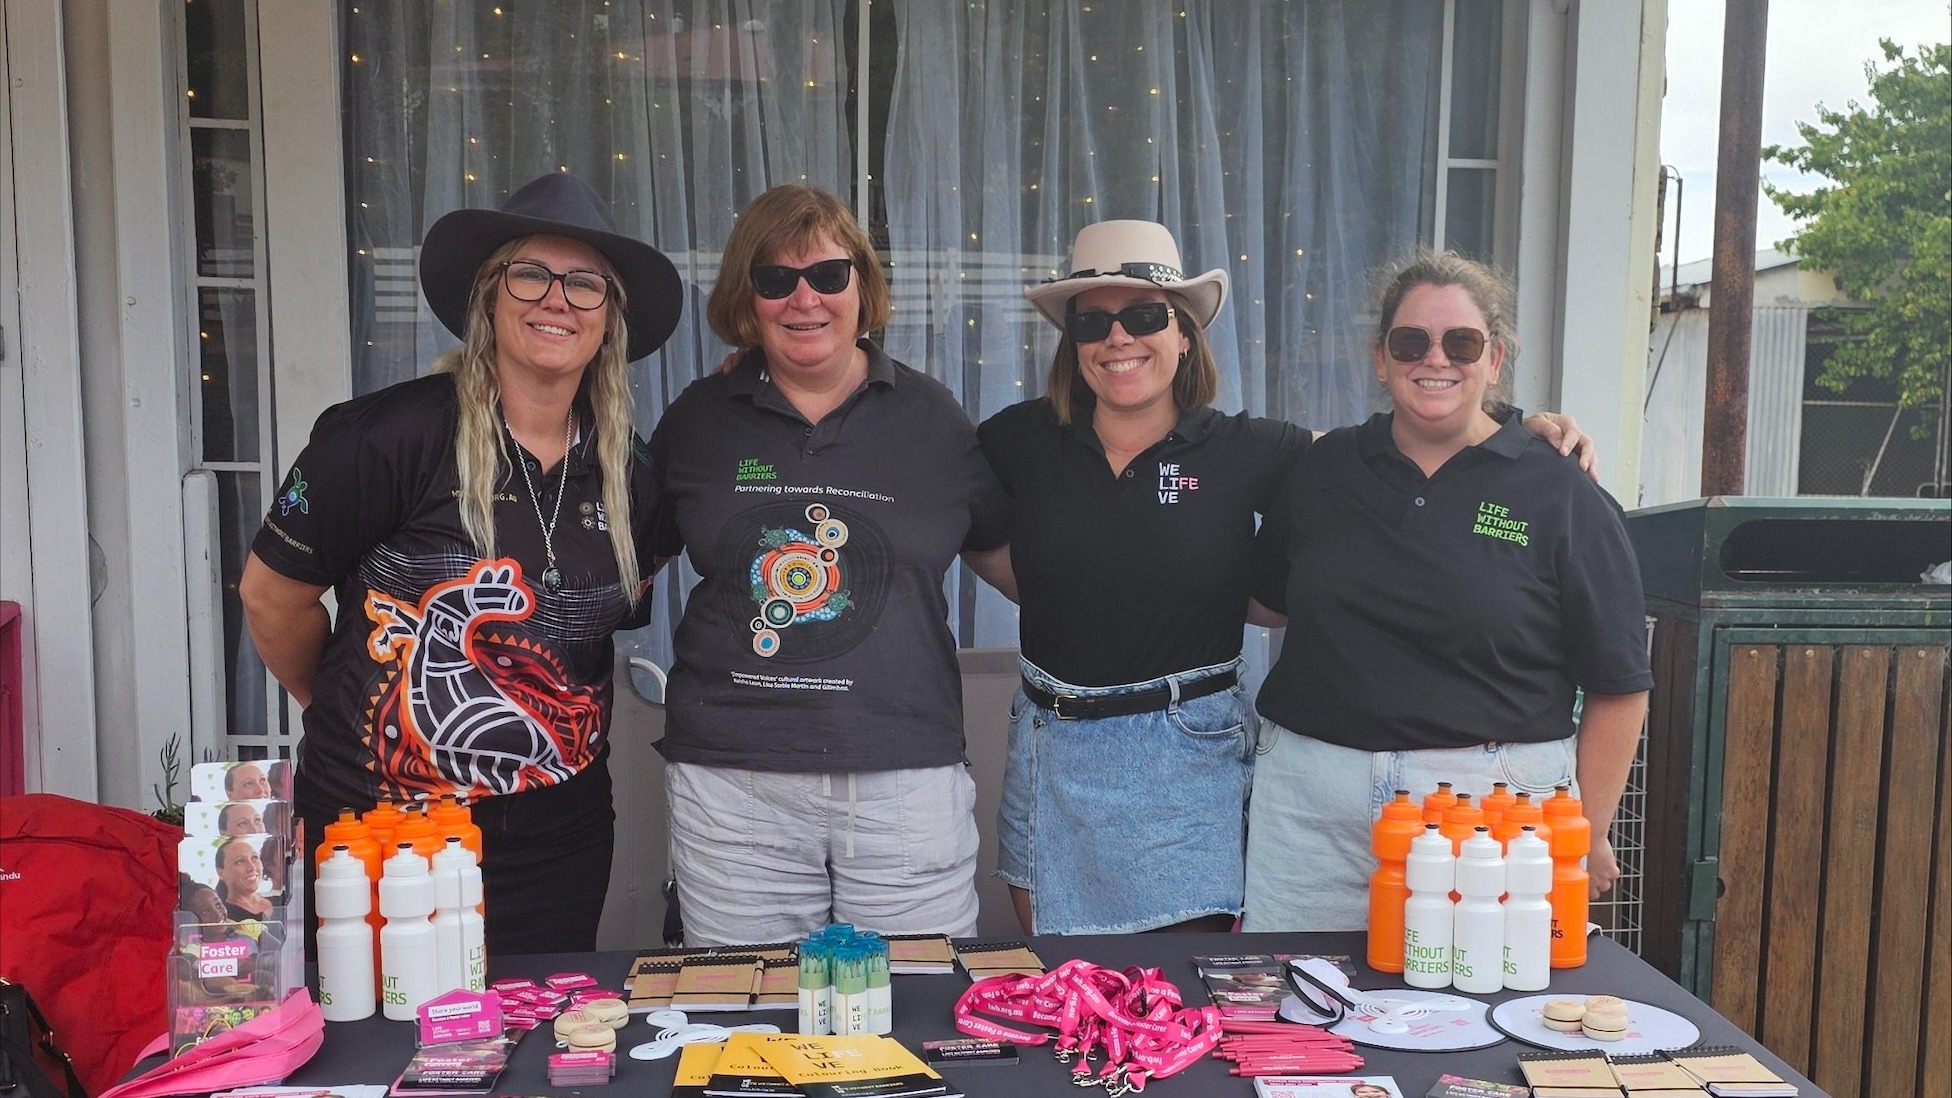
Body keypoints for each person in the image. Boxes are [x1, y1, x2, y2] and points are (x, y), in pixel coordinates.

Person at [977, 222, 1595, 935]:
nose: (1119, 338)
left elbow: (1396, 448)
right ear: (1073, 342)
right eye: (1093, 322)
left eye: (1145, 316)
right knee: (1061, 975)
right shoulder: (1019, 439)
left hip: (1188, 748)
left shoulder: (1249, 448)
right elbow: (957, 522)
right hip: (1051, 745)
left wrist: (1513, 428)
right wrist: (1056, 588)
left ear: (1184, 336)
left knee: (1184, 978)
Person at [238, 172, 684, 953]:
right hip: (382, 826)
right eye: (530, 274)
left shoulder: (633, 476)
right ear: (487, 296)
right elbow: (272, 598)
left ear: (610, 318)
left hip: (555, 842)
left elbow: (599, 631)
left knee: (538, 1021)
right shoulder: (387, 437)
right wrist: (341, 706)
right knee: (376, 1021)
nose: (557, 300)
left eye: (585, 284)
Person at [1243, 251, 1651, 931]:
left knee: (1484, 993)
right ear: (1381, 358)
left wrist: (1588, 831)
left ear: (1494, 361)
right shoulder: (1324, 469)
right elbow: (1267, 602)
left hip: (1488, 811)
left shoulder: (1559, 489)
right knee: (1296, 988)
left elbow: (1620, 684)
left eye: (1461, 343)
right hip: (1312, 809)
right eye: (1411, 342)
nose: (1435, 359)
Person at [647, 184, 1011, 945]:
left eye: (828, 275)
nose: (804, 298)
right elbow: (624, 562)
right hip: (736, 786)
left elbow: (1015, 564)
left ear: (862, 287)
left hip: (902, 782)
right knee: (749, 1009)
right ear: (747, 299)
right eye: (775, 279)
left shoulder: (934, 420)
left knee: (911, 1001)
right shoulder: (698, 419)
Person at [214, 837, 272, 920]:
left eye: (254, 858)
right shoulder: (223, 916)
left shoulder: (279, 902)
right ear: (220, 873)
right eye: (240, 861)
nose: (252, 867)